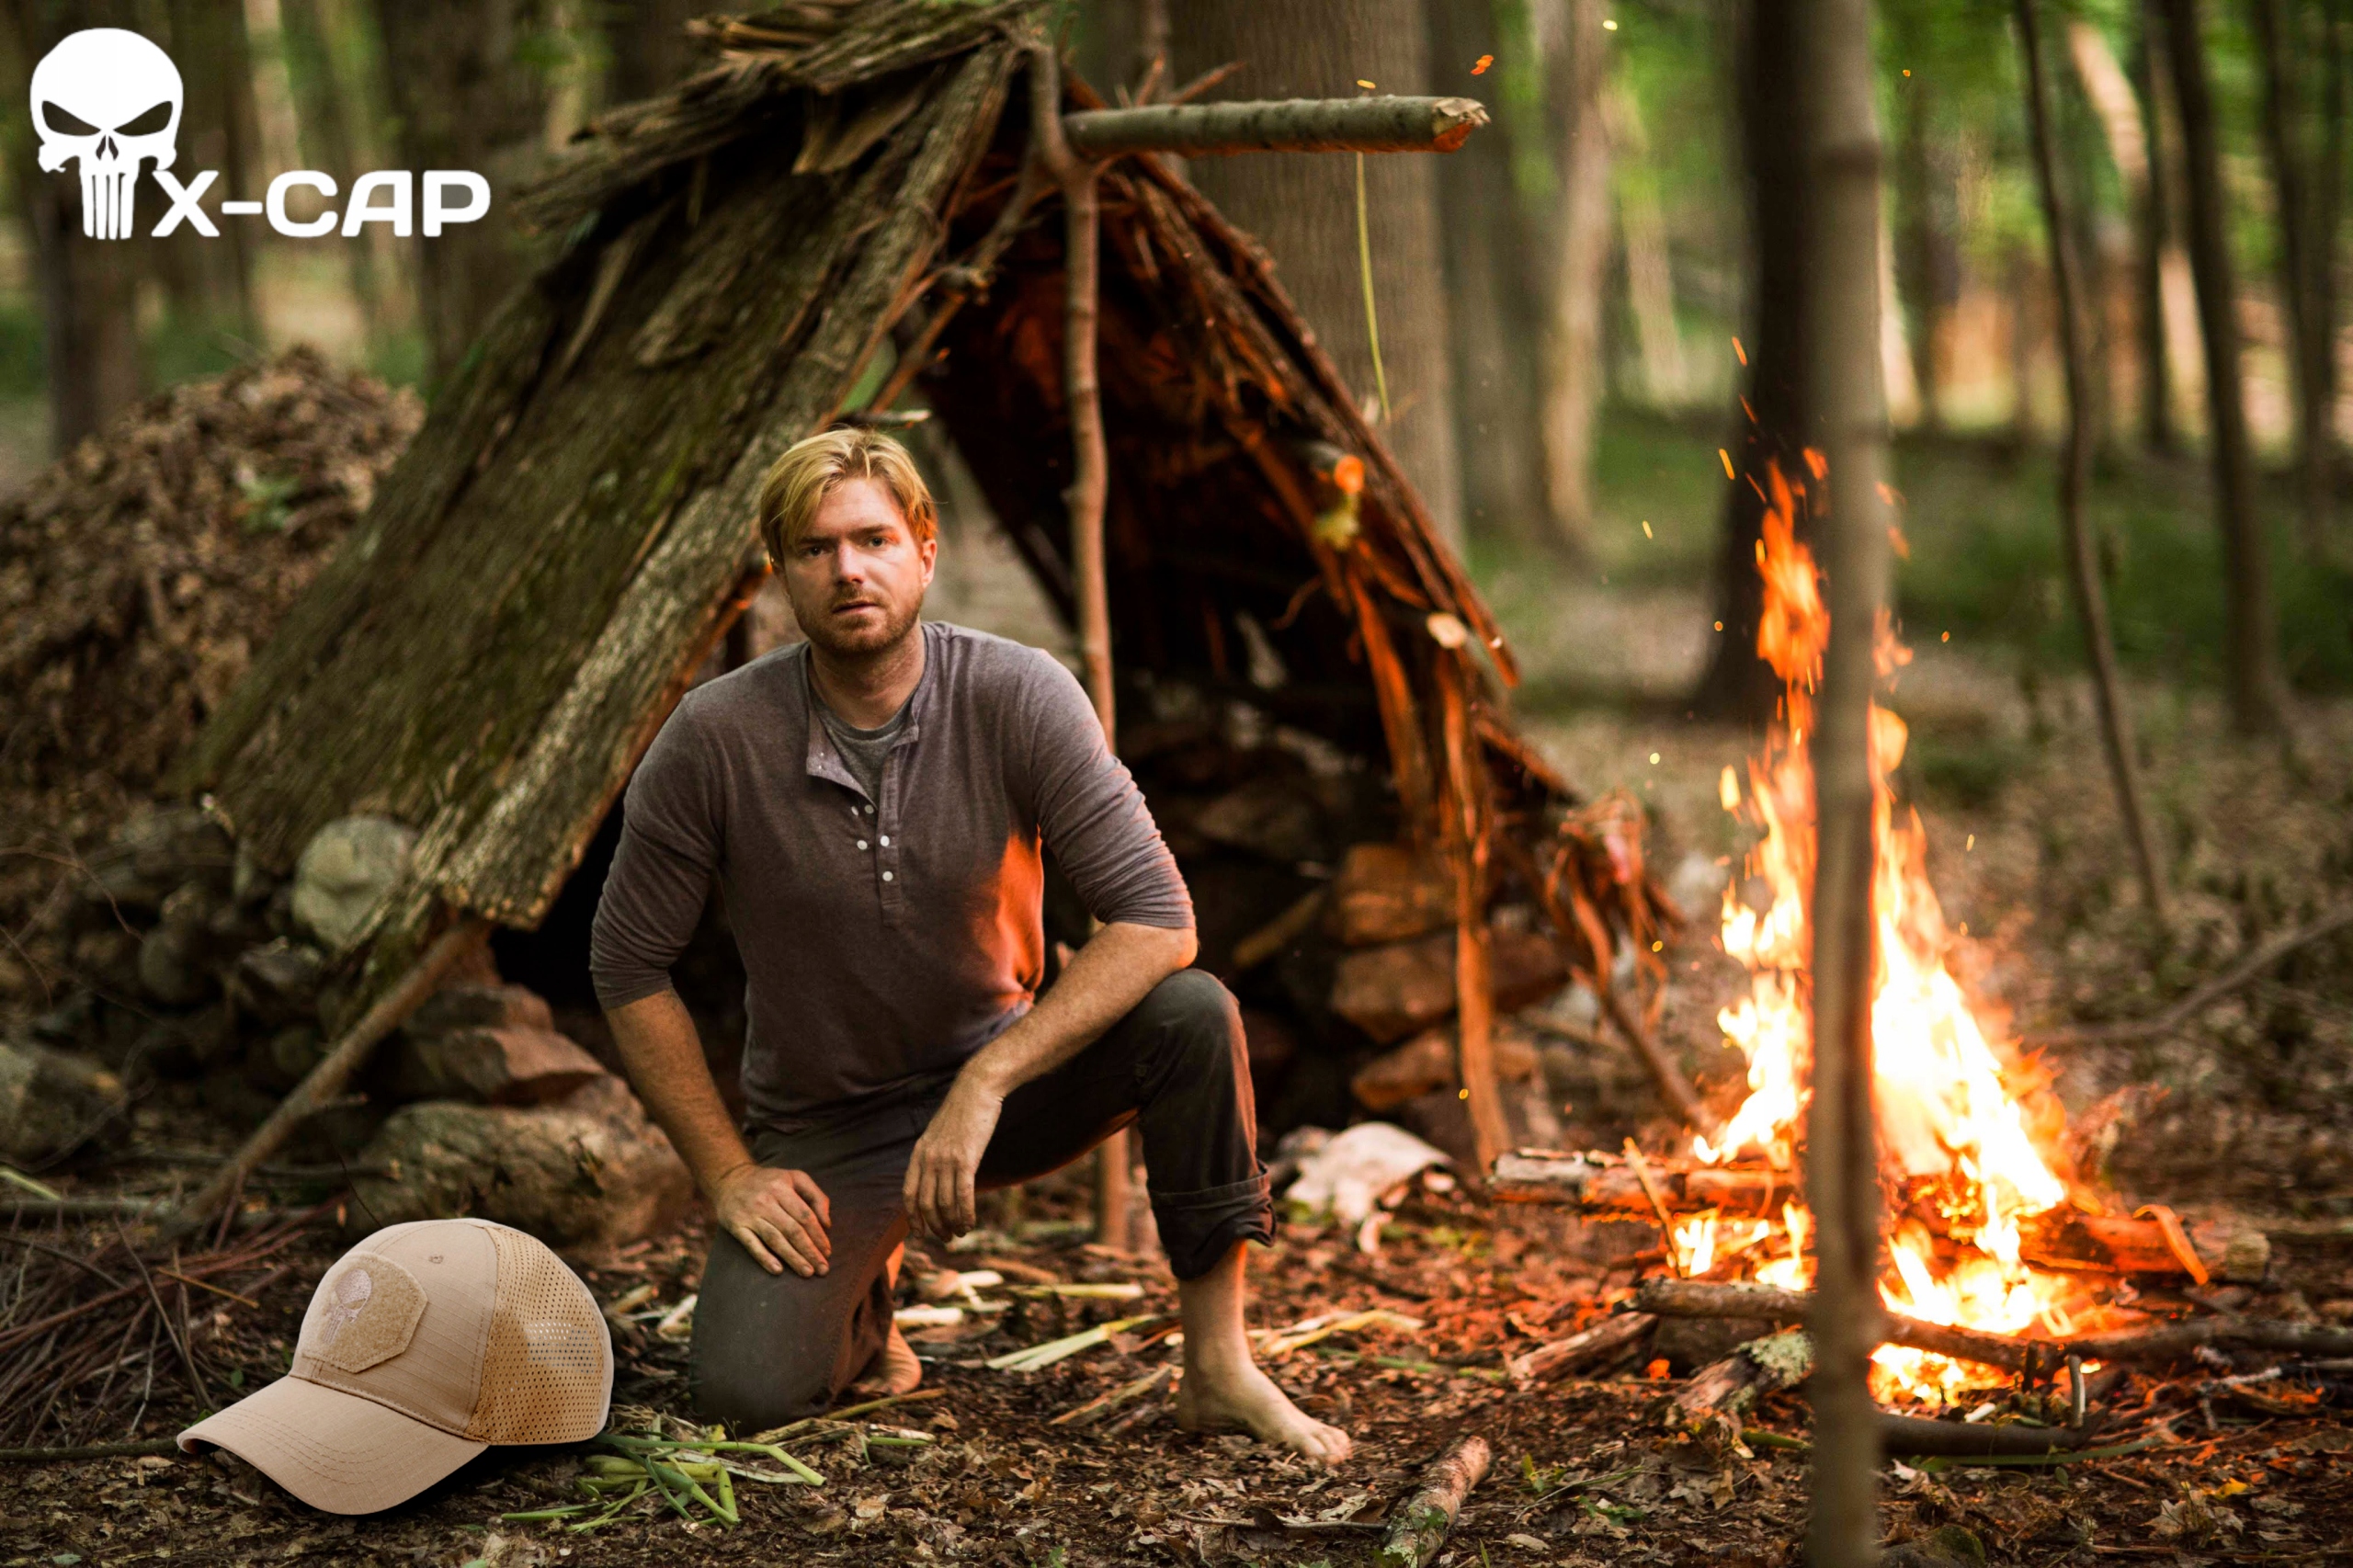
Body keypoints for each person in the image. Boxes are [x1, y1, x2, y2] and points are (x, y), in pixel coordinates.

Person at [587, 426, 1348, 1464]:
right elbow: (627, 967)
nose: (848, 567)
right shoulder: (714, 737)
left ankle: (1218, 1364)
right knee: (744, 1395)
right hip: (830, 1124)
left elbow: (1159, 918)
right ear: (779, 572)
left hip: (1011, 1085)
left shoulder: (1016, 693)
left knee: (1192, 1013)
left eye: (872, 538)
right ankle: (865, 1308)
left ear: (924, 549)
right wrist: (726, 1174)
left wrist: (988, 1079)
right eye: (814, 549)